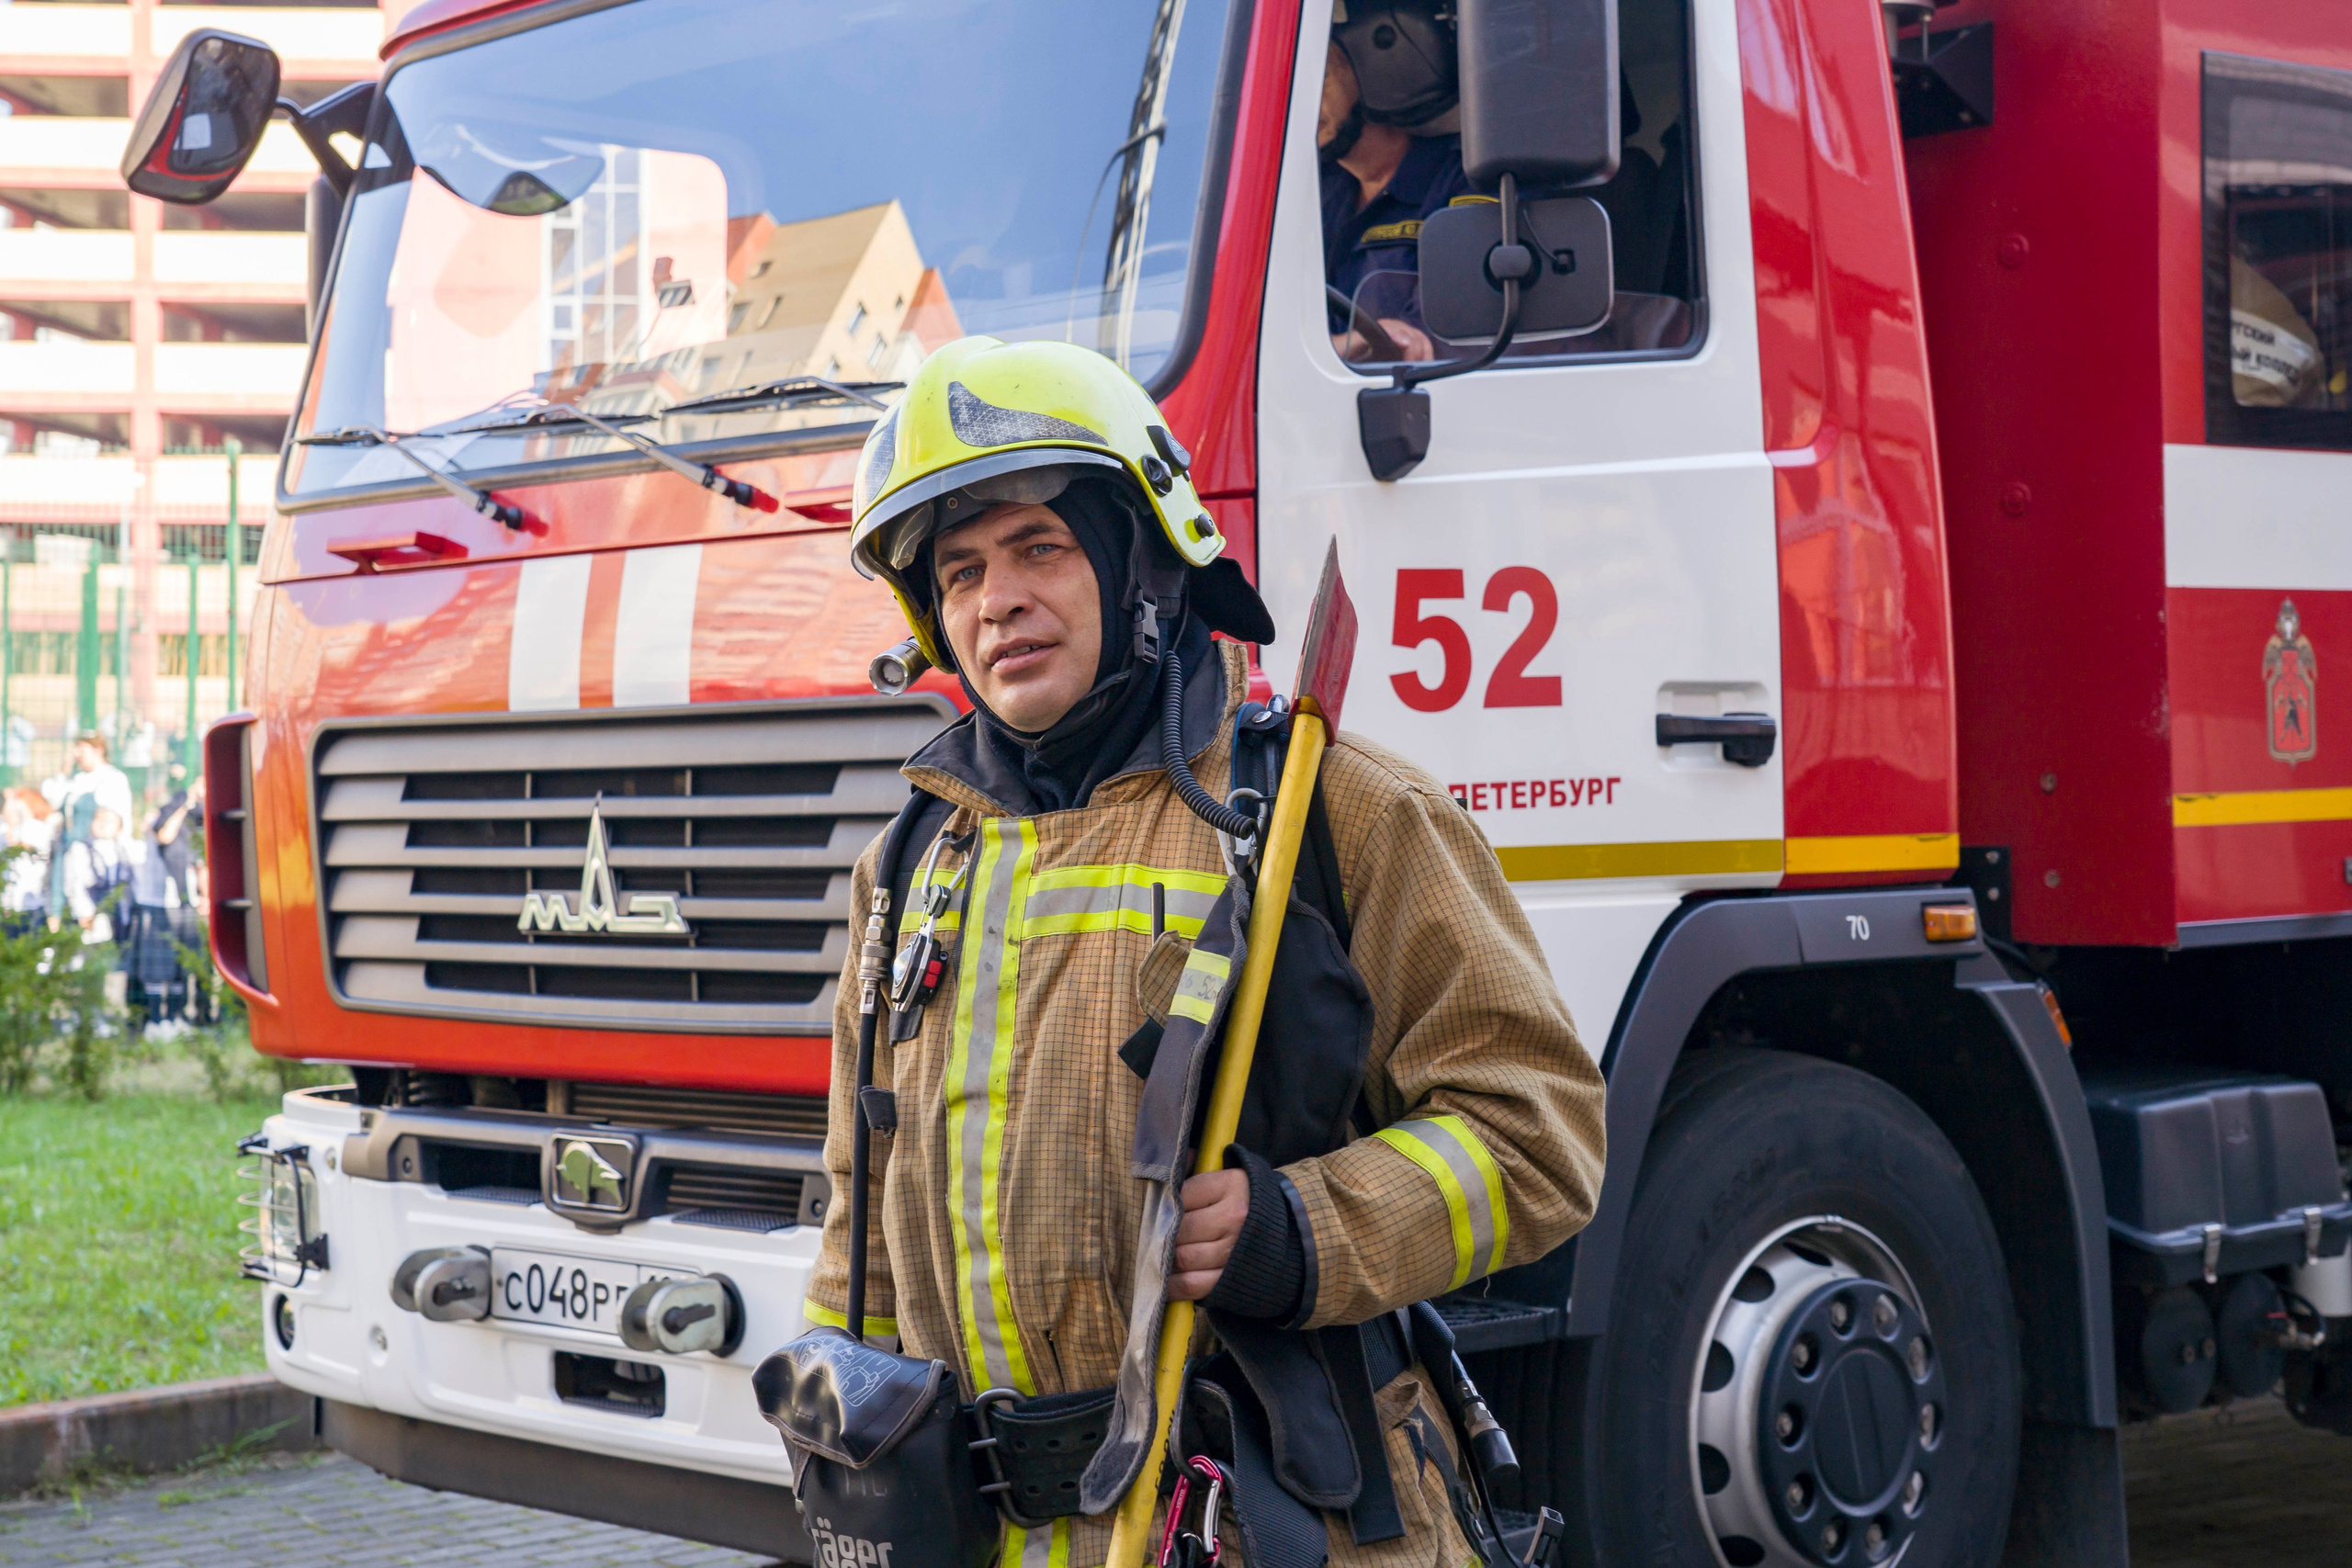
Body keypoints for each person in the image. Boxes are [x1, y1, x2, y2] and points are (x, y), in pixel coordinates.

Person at [800, 337, 1606, 1568]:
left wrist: (1301, 1229)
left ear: (1143, 556)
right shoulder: (909, 866)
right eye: (959, 571)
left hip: (1262, 1517)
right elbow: (857, 1210)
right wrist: (835, 1436)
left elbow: (1538, 1133)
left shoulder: (1329, 812)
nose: (994, 599)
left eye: (1038, 547)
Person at [1320, 1, 1470, 364]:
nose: (1296, 98)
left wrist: (1354, 345)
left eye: (1317, 76)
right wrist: (1349, 344)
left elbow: (1417, 347)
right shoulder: (1304, 197)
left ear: (1375, 69)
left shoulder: (1464, 180)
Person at [45, 732, 134, 926]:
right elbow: (53, 802)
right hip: (69, 856)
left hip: (95, 863)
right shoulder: (77, 779)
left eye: (82, 749)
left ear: (98, 750)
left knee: (96, 921)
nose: (77, 754)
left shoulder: (112, 778)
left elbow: (117, 824)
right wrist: (64, 771)